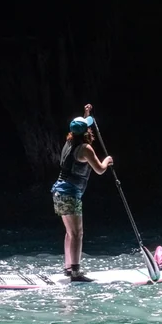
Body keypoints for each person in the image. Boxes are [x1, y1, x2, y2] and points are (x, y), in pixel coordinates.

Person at [51, 102, 113, 281]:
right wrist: (107, 160)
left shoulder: (69, 142)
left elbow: (80, 126)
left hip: (59, 192)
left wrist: (86, 114)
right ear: (86, 132)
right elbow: (100, 169)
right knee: (77, 233)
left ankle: (68, 268)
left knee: (70, 233)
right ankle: (76, 273)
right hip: (70, 193)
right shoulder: (86, 149)